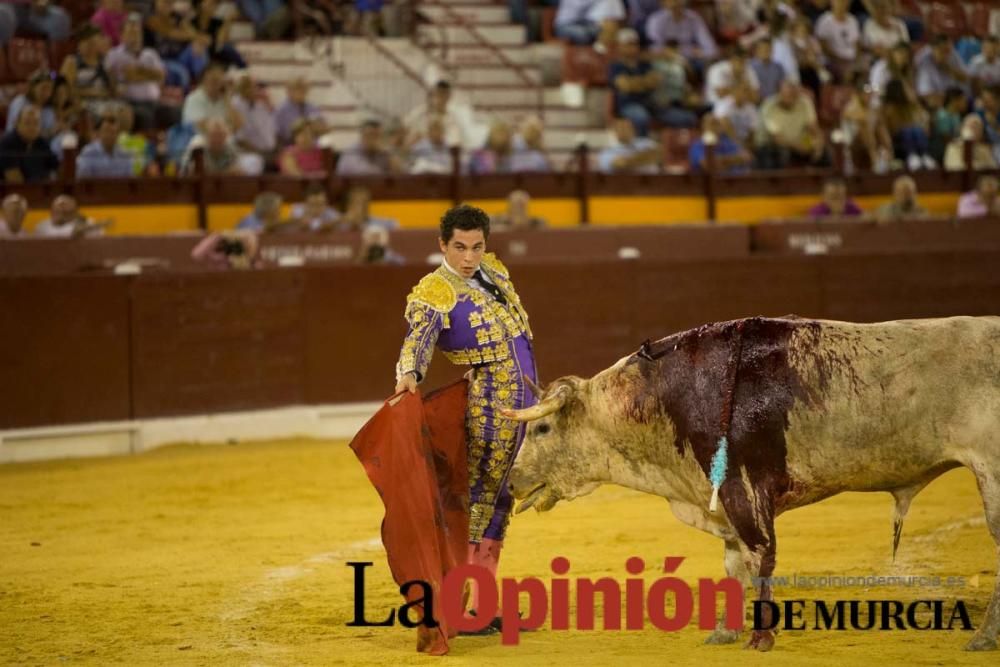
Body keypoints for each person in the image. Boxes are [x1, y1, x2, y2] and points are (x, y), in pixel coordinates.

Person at [393, 204, 538, 633]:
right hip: (489, 406)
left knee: (499, 502)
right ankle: (460, 607)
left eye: (476, 247)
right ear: (442, 245)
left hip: (521, 404)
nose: (469, 257)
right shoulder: (434, 291)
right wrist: (408, 375)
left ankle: (482, 607)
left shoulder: (492, 272)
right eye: (459, 247)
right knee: (476, 504)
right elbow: (416, 340)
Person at [34, 195, 112, 237]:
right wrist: (96, 225)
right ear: (51, 211)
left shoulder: (88, 221)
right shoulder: (43, 226)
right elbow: (68, 234)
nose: (62, 209)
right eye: (58, 209)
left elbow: (99, 239)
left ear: (75, 211)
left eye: (65, 210)